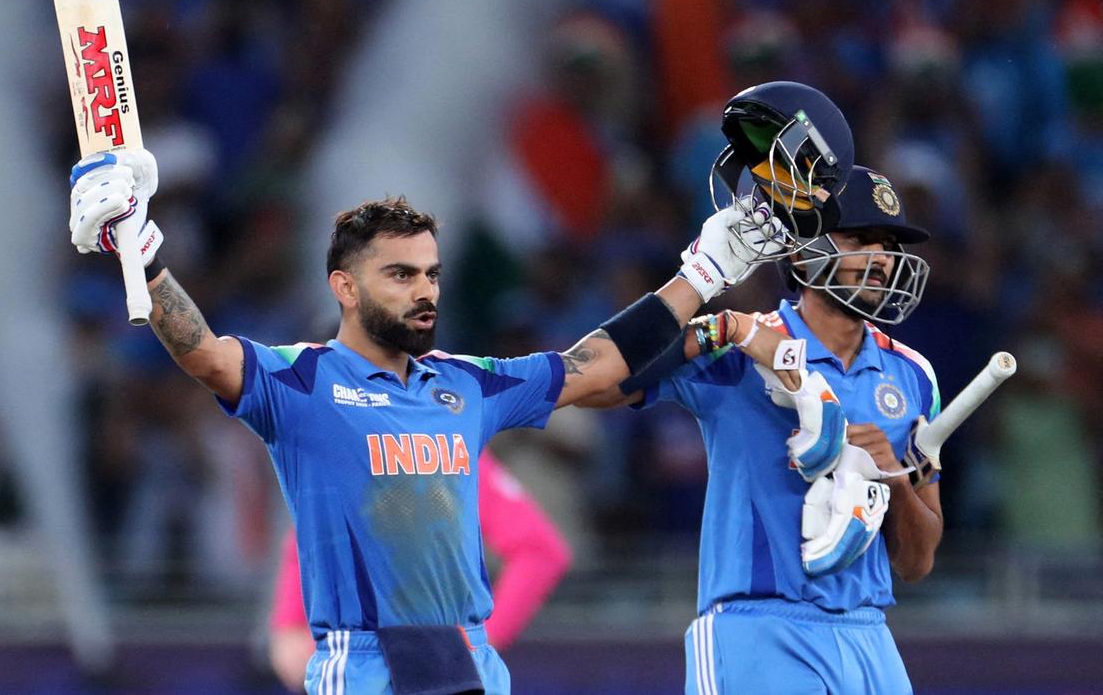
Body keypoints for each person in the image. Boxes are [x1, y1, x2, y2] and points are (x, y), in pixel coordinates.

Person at [66, 80, 850, 693]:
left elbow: (596, 366)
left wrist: (703, 272)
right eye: (400, 275)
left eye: (432, 274)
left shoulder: (465, 382)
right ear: (345, 287)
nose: (425, 292)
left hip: (472, 661)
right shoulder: (301, 379)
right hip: (365, 665)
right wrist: (142, 254)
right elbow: (205, 355)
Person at [593, 165, 942, 694]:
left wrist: (892, 476)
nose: (881, 258)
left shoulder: (913, 375)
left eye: (889, 244)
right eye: (860, 239)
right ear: (801, 253)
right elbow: (600, 384)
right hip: (757, 627)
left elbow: (916, 563)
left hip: (870, 634)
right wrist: (715, 320)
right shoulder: (737, 346)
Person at [267, 448, 572, 692]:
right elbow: (315, 531)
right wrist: (289, 624)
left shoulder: (447, 444)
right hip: (359, 664)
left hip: (432, 667)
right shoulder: (352, 433)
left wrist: (477, 642)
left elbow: (539, 552)